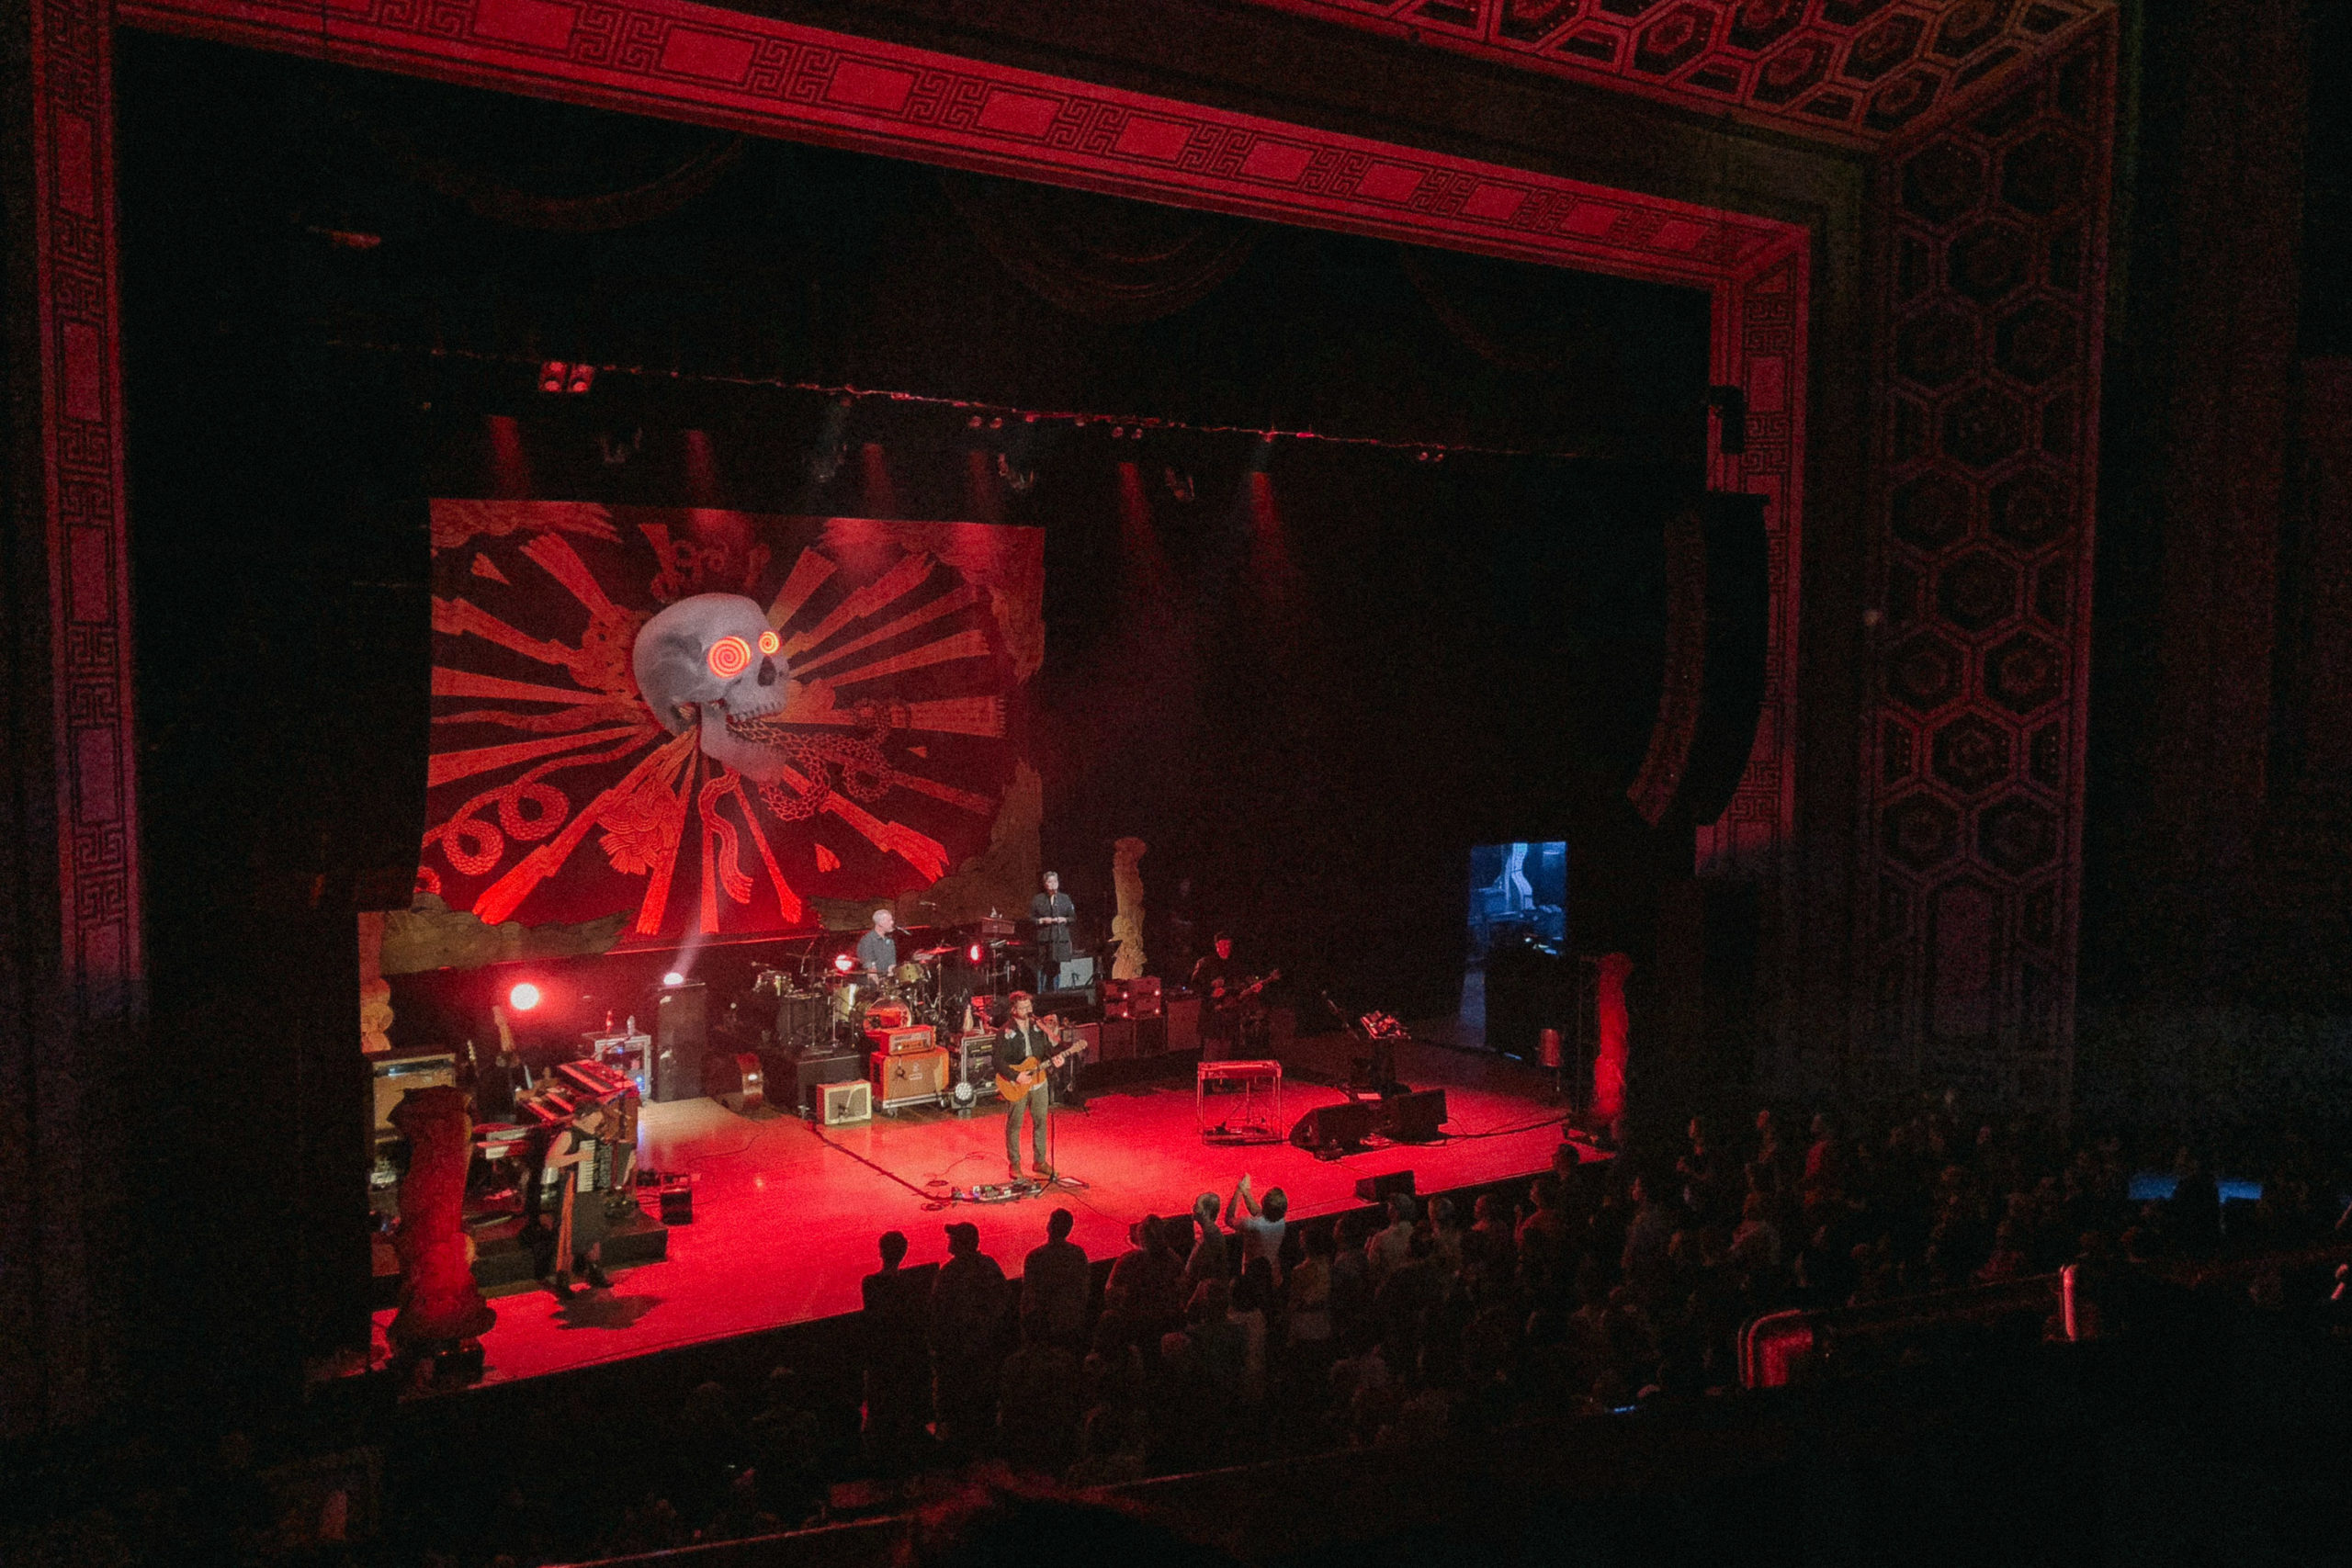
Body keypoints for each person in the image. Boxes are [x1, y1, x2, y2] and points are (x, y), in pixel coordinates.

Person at [930, 1222, 1010, 1455]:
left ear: (961, 1243)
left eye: (953, 1238)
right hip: (984, 1351)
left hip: (959, 1355)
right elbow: (1004, 1301)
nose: (949, 1241)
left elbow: (937, 1314)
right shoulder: (989, 1266)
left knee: (958, 1413)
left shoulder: (949, 1274)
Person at [859, 1230, 933, 1472]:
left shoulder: (870, 1284)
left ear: (880, 1252)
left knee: (882, 1412)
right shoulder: (911, 1287)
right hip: (906, 1359)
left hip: (882, 1360)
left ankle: (882, 1463)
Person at [997, 992, 1064, 1182]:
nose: (1028, 1011)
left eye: (1029, 1007)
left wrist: (1055, 1059)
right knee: (1015, 1124)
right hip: (1018, 1083)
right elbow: (997, 1061)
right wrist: (1015, 1076)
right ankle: (1015, 1163)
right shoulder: (1005, 1031)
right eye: (1023, 1008)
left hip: (1039, 1081)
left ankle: (1040, 1161)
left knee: (1041, 1121)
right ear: (1014, 1010)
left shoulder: (1037, 1028)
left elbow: (1046, 1051)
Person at [1022, 1207, 1091, 1348]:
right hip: (1072, 1321)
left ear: (1049, 1227)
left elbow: (1029, 1293)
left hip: (1044, 1325)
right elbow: (1084, 1289)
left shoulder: (1035, 1256)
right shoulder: (1078, 1254)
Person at [1224, 1174, 1288, 1284]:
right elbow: (1259, 1213)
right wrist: (1246, 1191)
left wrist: (1238, 1192)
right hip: (1274, 1275)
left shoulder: (1253, 1225)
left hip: (1252, 1277)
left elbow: (1229, 1219)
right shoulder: (1280, 1220)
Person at [1029, 871, 1078, 991]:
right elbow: (1030, 918)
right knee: (1042, 965)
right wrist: (1041, 921)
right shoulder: (1038, 899)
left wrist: (1064, 919)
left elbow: (1073, 917)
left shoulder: (1065, 898)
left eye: (1055, 881)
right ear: (1045, 884)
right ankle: (1040, 992)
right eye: (1050, 882)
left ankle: (1055, 992)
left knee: (1056, 965)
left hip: (1059, 938)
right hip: (1044, 938)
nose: (1053, 884)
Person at [857, 907, 899, 977]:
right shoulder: (868, 940)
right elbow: (869, 966)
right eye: (889, 920)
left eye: (892, 920)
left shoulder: (890, 941)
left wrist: (892, 971)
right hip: (874, 982)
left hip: (888, 981)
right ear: (880, 923)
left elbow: (892, 963)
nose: (892, 922)